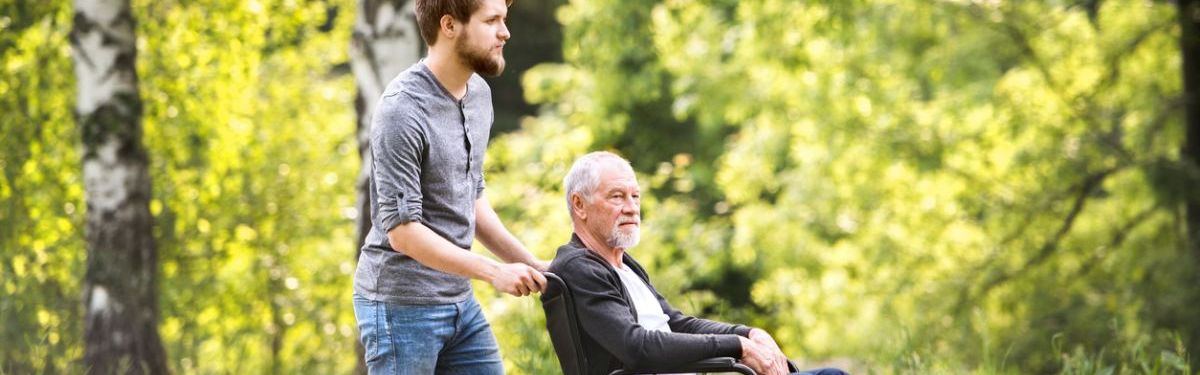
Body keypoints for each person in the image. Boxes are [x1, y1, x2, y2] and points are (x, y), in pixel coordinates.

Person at [352, 0, 547, 373]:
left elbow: (471, 199)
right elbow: (404, 234)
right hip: (400, 308)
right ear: (449, 25)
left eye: (503, 20)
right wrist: (493, 272)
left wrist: (528, 263)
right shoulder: (401, 110)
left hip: (459, 301)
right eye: (492, 21)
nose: (505, 32)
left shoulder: (478, 96)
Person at [548, 151, 847, 375]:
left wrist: (747, 334)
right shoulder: (580, 268)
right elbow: (636, 347)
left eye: (635, 197)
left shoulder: (624, 265)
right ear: (579, 205)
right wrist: (738, 348)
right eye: (617, 197)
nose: (631, 208)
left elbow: (677, 324)